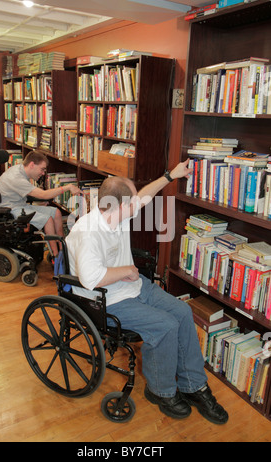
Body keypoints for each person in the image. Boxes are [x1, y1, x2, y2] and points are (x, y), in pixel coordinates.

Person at [66, 159, 229, 425]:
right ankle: (160, 391)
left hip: (133, 287)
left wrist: (170, 175)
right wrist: (128, 270)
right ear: (119, 205)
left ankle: (194, 386)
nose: (138, 205)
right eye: (132, 201)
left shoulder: (116, 212)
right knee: (165, 326)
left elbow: (144, 196)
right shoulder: (88, 231)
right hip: (106, 299)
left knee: (182, 311)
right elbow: (91, 278)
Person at [0, 151, 82, 258]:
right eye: (42, 169)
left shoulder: (20, 170)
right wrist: (67, 187)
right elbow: (43, 195)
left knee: (56, 213)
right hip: (9, 209)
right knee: (48, 219)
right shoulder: (16, 177)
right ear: (32, 165)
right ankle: (56, 258)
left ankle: (62, 249)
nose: (43, 173)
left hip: (20, 205)